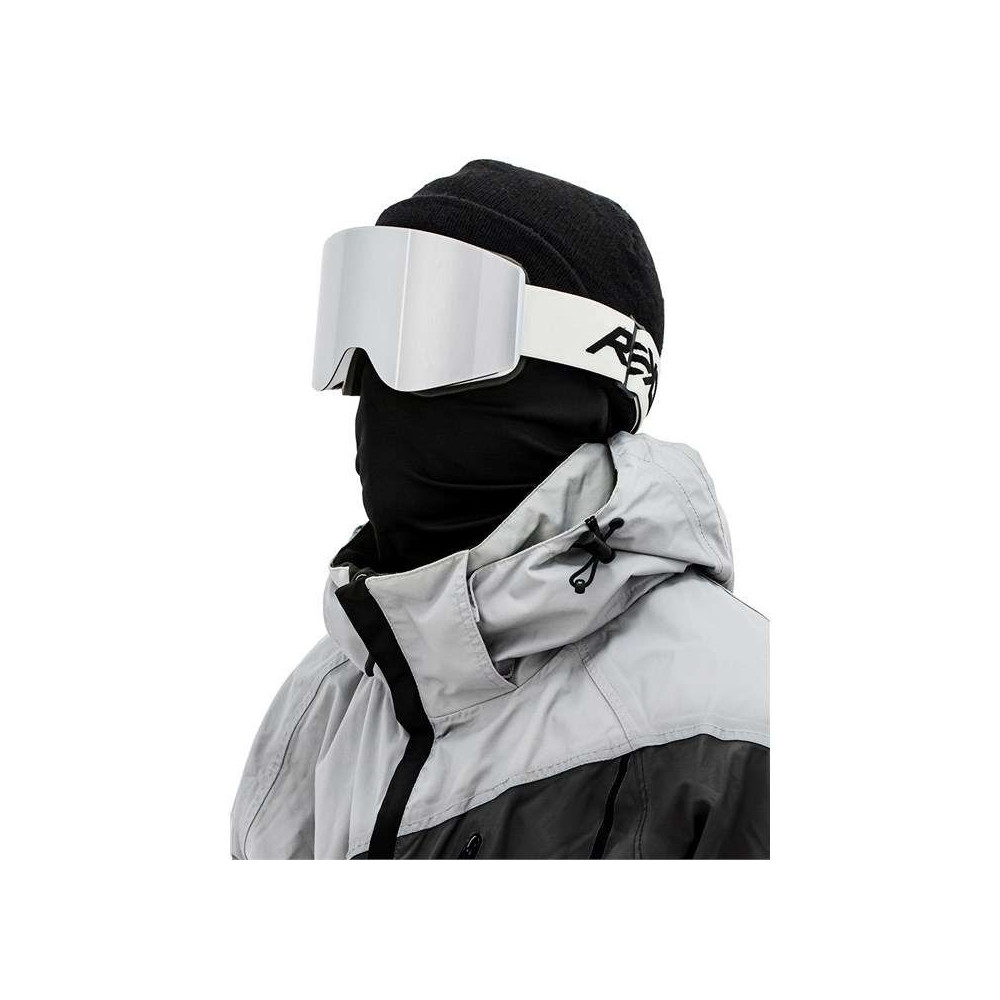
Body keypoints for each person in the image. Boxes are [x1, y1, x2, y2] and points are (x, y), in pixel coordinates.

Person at [231, 160, 769, 859]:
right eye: (367, 339)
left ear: (594, 372)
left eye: (436, 340)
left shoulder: (735, 713)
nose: (381, 390)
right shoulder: (324, 705)